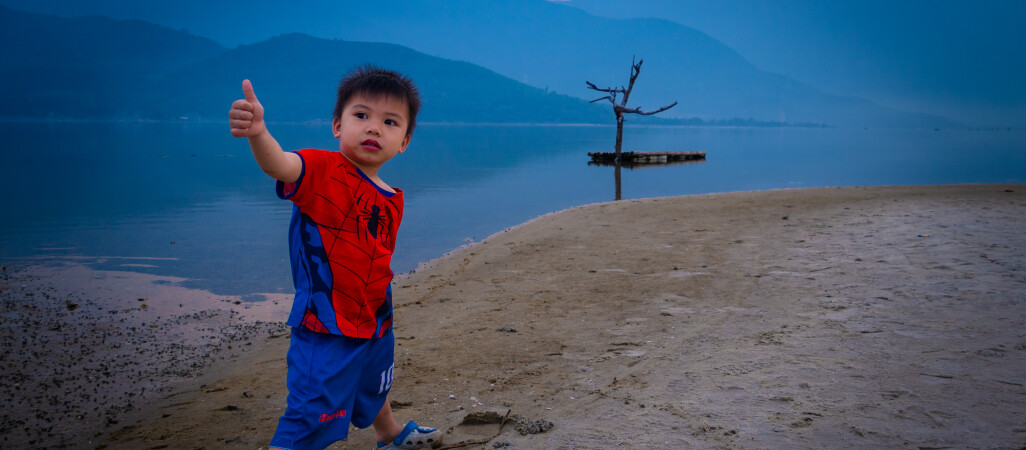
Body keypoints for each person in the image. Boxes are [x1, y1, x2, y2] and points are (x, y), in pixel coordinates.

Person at [229, 66, 442, 450]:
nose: (374, 128)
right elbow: (280, 164)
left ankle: (389, 432)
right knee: (311, 410)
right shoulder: (323, 171)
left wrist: (380, 310)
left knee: (373, 379)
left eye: (389, 122)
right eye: (361, 116)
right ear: (337, 126)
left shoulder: (392, 197)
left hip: (376, 313)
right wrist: (259, 134)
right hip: (325, 321)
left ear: (405, 141)